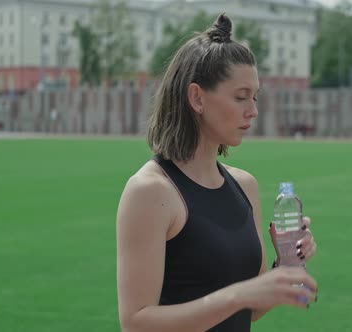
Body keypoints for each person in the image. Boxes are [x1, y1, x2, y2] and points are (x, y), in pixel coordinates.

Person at [116, 13, 318, 332]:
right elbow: (136, 323)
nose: (252, 110)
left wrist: (285, 266)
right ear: (197, 97)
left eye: (255, 97)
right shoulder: (151, 191)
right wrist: (238, 294)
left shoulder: (244, 185)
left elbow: (250, 310)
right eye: (240, 97)